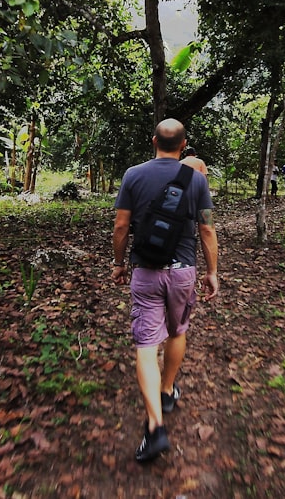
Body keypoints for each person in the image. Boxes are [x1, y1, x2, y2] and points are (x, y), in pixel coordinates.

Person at [112, 118, 219, 463]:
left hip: (146, 271)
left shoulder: (133, 175)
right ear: (184, 144)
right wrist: (213, 271)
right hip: (183, 271)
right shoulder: (198, 180)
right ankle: (168, 389)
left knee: (146, 345)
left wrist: (118, 263)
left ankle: (155, 427)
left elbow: (121, 225)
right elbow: (207, 229)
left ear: (153, 139)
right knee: (177, 331)